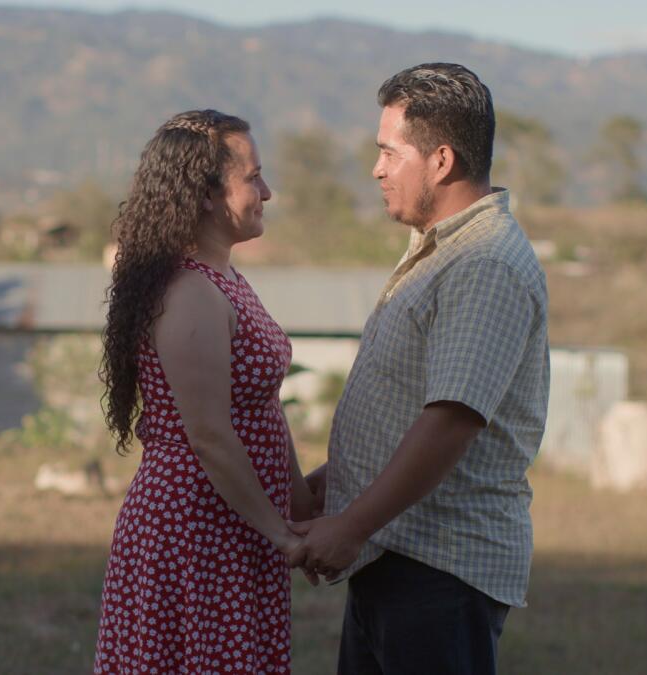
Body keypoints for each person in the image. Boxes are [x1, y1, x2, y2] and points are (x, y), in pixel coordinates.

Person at [288, 63, 551, 674]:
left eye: (388, 153)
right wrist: (338, 480)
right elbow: (413, 404)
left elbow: (451, 421)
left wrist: (351, 524)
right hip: (400, 553)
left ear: (440, 160)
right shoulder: (441, 251)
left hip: (440, 567)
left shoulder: (485, 262)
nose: (377, 170)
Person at [93, 109, 317, 673]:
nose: (268, 191)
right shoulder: (191, 291)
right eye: (253, 177)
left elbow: (261, 408)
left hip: (232, 524)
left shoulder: (226, 280)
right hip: (196, 529)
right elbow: (210, 435)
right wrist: (282, 536)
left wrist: (298, 509)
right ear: (208, 195)